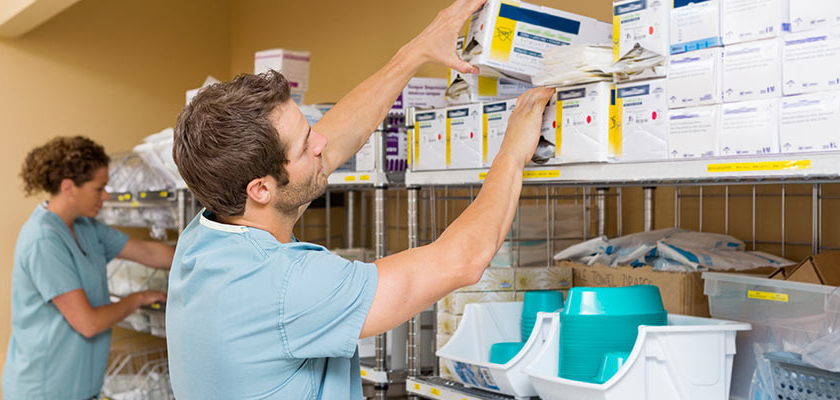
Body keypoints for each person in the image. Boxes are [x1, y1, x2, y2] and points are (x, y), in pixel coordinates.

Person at [166, 0, 556, 397]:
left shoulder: (205, 237)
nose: (321, 142)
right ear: (261, 188)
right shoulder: (287, 286)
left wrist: (417, 51)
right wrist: (512, 151)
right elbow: (462, 261)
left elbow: (328, 145)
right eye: (305, 146)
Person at [2, 136, 176, 400]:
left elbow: (148, 251)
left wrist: (205, 254)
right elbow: (88, 323)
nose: (106, 195)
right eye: (99, 188)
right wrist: (137, 299)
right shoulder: (43, 240)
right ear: (69, 187)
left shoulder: (86, 227)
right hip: (45, 390)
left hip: (82, 388)